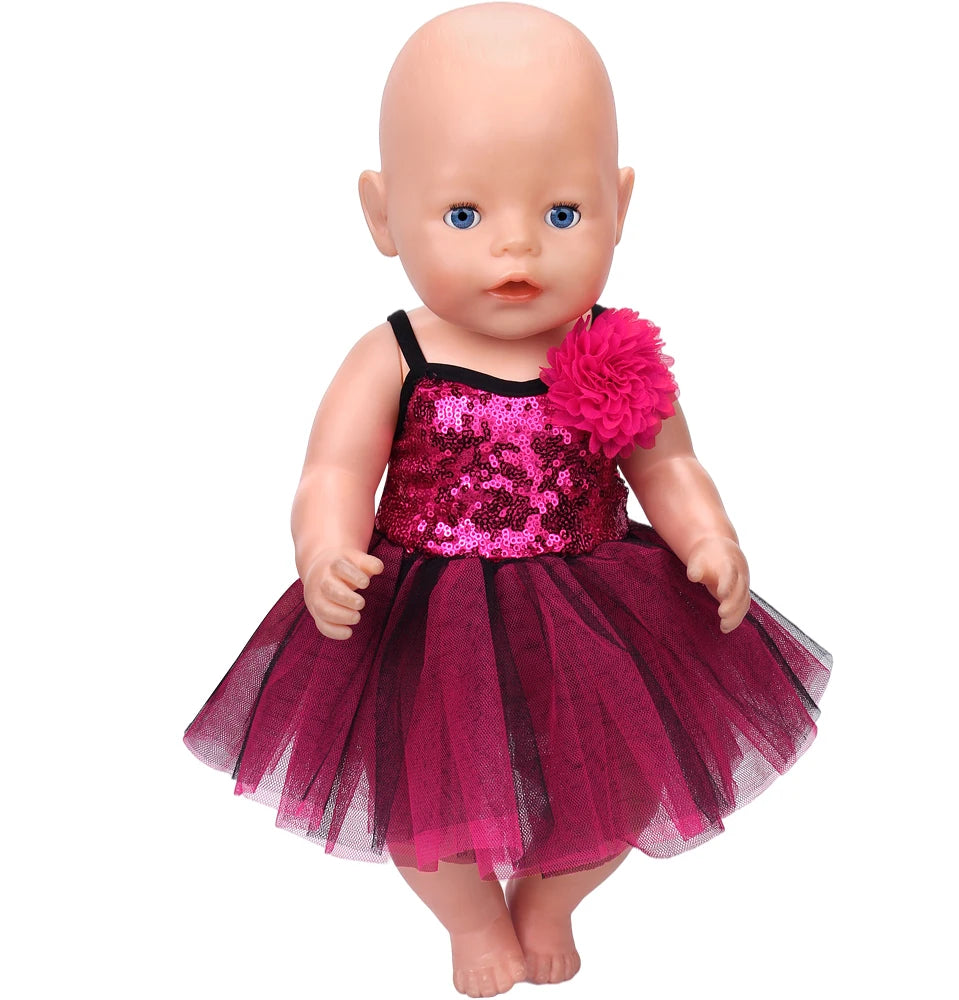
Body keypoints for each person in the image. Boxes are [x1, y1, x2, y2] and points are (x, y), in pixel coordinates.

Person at [182, 4, 832, 995]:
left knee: (618, 781)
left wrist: (709, 537)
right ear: (382, 215)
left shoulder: (609, 346)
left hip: (597, 607)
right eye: (464, 215)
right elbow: (335, 472)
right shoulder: (396, 353)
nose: (516, 250)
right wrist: (325, 549)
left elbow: (667, 464)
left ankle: (551, 901)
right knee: (425, 796)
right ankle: (472, 918)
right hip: (426, 613)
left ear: (620, 206)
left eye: (562, 215)